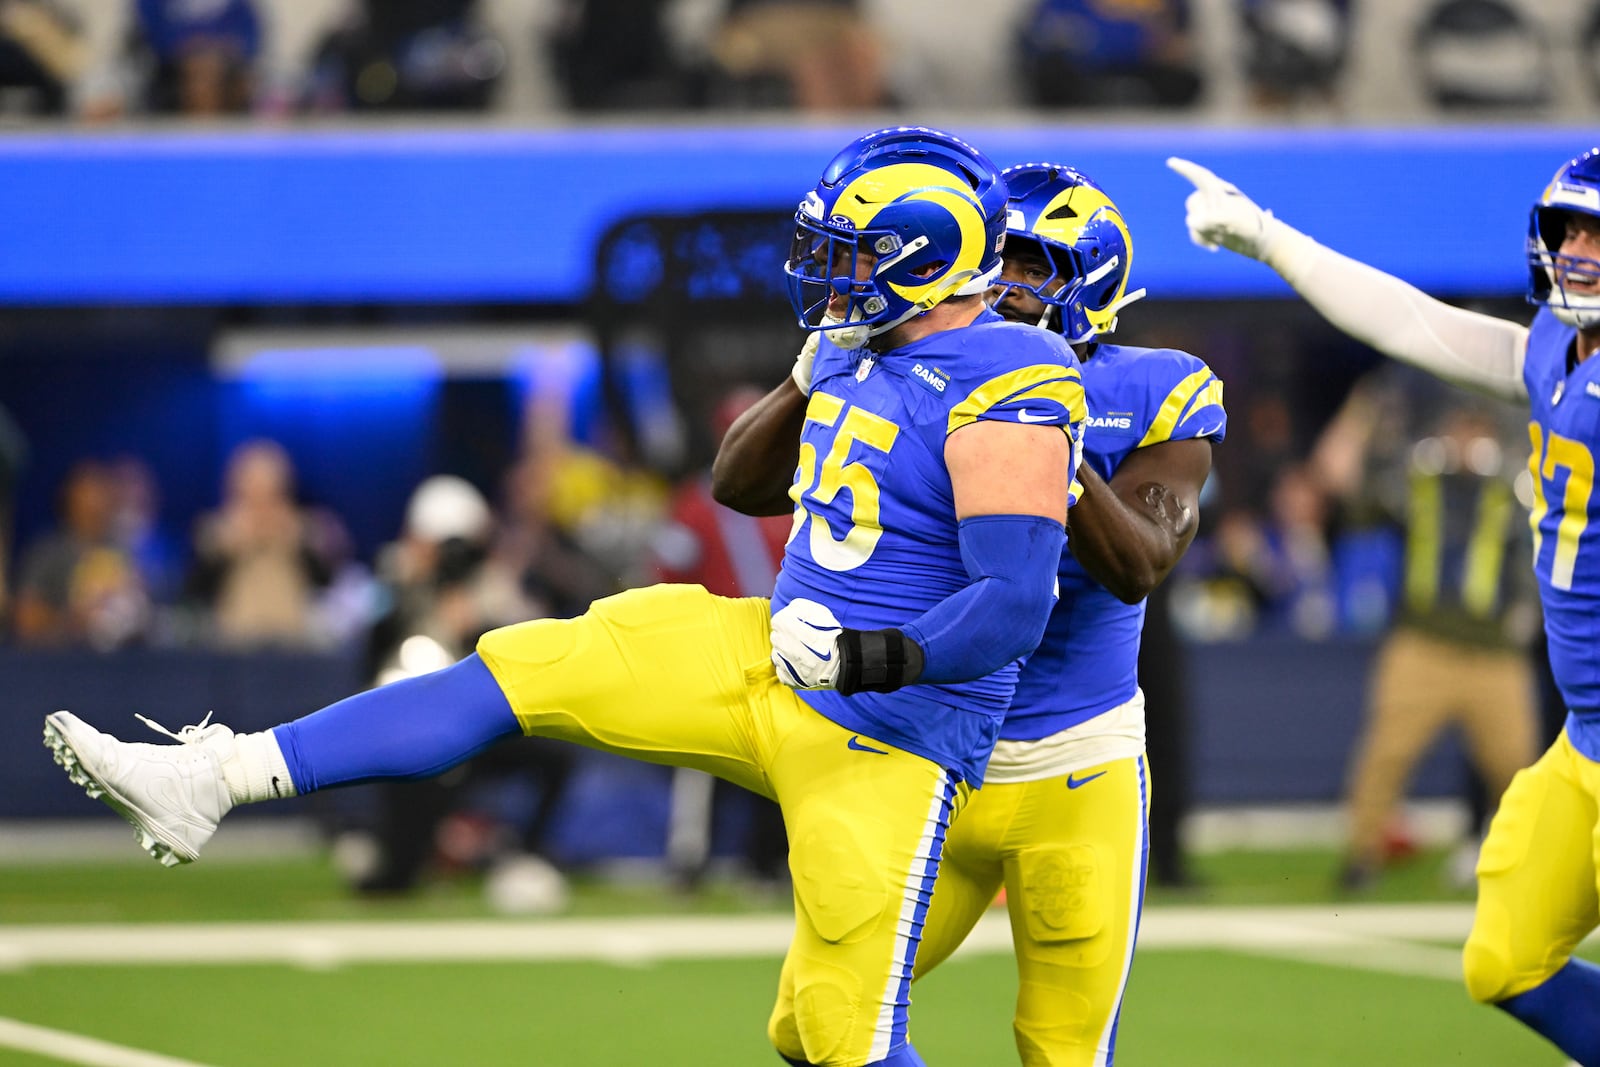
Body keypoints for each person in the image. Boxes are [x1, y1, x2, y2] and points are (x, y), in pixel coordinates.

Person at [44, 126, 1087, 1067]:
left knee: (828, 1032)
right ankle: (213, 777)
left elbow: (1012, 602)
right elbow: (734, 481)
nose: (827, 272)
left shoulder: (1009, 378)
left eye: (851, 251)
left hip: (887, 735)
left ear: (923, 252)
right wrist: (807, 376)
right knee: (522, 664)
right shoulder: (865, 349)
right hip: (764, 651)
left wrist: (865, 658)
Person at [714, 163, 1224, 1066]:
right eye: (994, 259)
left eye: (1029, 264)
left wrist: (1039, 439)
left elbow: (1140, 564)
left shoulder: (1157, 389)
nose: (1002, 282)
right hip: (931, 752)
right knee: (811, 1026)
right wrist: (813, 371)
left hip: (1073, 763)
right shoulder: (909, 360)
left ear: (1090, 277)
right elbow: (739, 485)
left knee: (1063, 1050)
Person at [1169, 147, 1600, 1064]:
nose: (1581, 252)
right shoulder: (1556, 352)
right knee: (1507, 961)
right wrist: (1273, 242)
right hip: (1585, 738)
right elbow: (1420, 325)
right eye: (1572, 230)